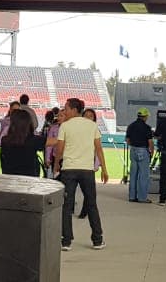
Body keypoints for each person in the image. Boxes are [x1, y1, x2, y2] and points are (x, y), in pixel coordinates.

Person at [54, 98, 108, 251]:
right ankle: (97, 239)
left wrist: (57, 163)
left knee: (67, 205)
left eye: (66, 108)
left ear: (74, 109)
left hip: (69, 169)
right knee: (91, 204)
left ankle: (66, 240)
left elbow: (60, 148)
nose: (64, 111)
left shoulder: (65, 126)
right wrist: (104, 169)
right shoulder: (92, 126)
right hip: (86, 170)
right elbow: (98, 149)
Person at [0, 109, 45, 176]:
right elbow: (57, 141)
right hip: (29, 179)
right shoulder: (34, 140)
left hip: (10, 178)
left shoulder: (5, 140)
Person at [125, 108, 154, 203]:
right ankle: (142, 198)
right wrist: (151, 152)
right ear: (145, 117)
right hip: (143, 151)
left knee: (133, 175)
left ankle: (132, 197)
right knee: (143, 175)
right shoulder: (147, 128)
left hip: (133, 150)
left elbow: (128, 140)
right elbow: (150, 142)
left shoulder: (131, 126)